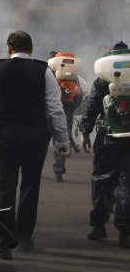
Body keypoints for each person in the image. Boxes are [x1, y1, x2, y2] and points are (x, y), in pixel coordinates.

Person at [0, 31, 70, 259]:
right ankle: (25, 239)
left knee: (3, 188)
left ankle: (2, 243)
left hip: (4, 136)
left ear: (9, 48)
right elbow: (55, 108)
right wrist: (62, 139)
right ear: (31, 48)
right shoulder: (44, 71)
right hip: (35, 137)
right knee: (30, 185)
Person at [78, 41, 130, 249]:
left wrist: (84, 131)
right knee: (127, 183)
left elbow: (91, 109)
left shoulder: (102, 78)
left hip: (107, 137)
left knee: (102, 179)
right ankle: (125, 231)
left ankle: (99, 226)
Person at [47, 51, 88, 183]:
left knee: (40, 141)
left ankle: (32, 169)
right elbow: (80, 93)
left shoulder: (48, 73)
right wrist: (72, 107)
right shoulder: (72, 76)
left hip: (48, 110)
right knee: (61, 140)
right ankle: (59, 171)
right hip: (66, 110)